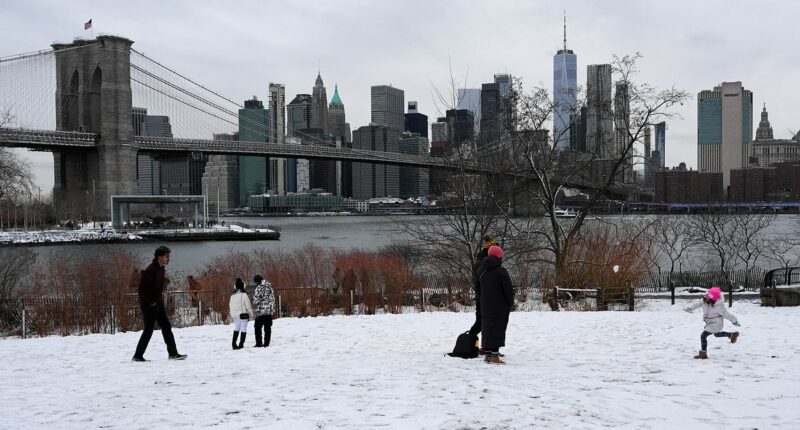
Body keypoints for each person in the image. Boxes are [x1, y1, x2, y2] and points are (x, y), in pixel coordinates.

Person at [132, 246, 187, 362]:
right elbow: (142, 290)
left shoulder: (161, 269)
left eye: (169, 256)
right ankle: (137, 356)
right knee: (149, 329)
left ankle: (173, 354)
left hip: (158, 302)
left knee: (166, 326)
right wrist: (151, 302)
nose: (169, 259)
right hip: (149, 304)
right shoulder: (150, 270)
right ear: (159, 257)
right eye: (167, 256)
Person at [478, 245, 514, 364]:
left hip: (485, 305)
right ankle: (494, 356)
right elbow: (508, 289)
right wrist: (510, 302)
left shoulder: (482, 271)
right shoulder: (501, 271)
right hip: (499, 306)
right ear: (499, 257)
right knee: (498, 328)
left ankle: (487, 355)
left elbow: (478, 289)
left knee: (487, 328)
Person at [684, 286, 741, 359]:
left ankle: (703, 354)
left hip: (717, 323)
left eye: (708, 296)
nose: (706, 296)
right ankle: (732, 335)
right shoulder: (704, 300)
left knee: (703, 336)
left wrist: (735, 321)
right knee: (716, 334)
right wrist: (690, 308)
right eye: (707, 294)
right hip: (710, 322)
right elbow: (696, 304)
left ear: (713, 299)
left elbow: (727, 315)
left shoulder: (719, 306)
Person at [469, 235, 496, 340]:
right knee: (481, 322)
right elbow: (479, 283)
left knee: (485, 323)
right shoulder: (483, 264)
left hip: (485, 298)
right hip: (483, 298)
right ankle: (469, 341)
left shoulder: (487, 262)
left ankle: (485, 346)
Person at [229, 278, 255, 350]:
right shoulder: (244, 295)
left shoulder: (232, 296)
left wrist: (232, 315)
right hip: (242, 315)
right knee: (243, 329)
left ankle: (233, 344)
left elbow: (230, 306)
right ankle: (241, 344)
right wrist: (252, 314)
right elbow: (248, 306)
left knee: (236, 328)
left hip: (235, 315)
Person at [252, 274, 276, 347]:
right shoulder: (270, 287)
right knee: (267, 328)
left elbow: (256, 300)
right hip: (269, 311)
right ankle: (266, 343)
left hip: (261, 311)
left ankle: (259, 343)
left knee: (257, 327)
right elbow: (273, 299)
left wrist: (254, 301)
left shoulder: (259, 288)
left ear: (257, 282)